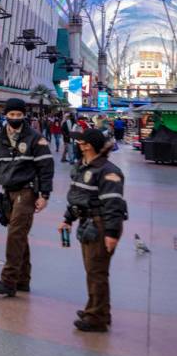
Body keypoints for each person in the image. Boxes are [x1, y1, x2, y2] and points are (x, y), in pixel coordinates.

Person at [0, 98, 54, 297]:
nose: (15, 118)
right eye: (11, 115)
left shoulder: (35, 138)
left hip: (27, 191)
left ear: (24, 115)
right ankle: (23, 280)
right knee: (19, 235)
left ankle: (8, 280)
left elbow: (46, 168)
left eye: (18, 115)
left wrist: (44, 195)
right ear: (6, 115)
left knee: (15, 233)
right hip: (8, 192)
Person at [60, 128, 127, 333]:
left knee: (97, 271)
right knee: (92, 270)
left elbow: (114, 204)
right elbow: (77, 196)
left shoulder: (108, 171)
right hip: (86, 223)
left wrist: (112, 233)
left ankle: (96, 317)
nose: (77, 144)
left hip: (101, 225)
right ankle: (98, 310)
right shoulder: (82, 166)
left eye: (80, 141)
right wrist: (68, 219)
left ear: (88, 146)